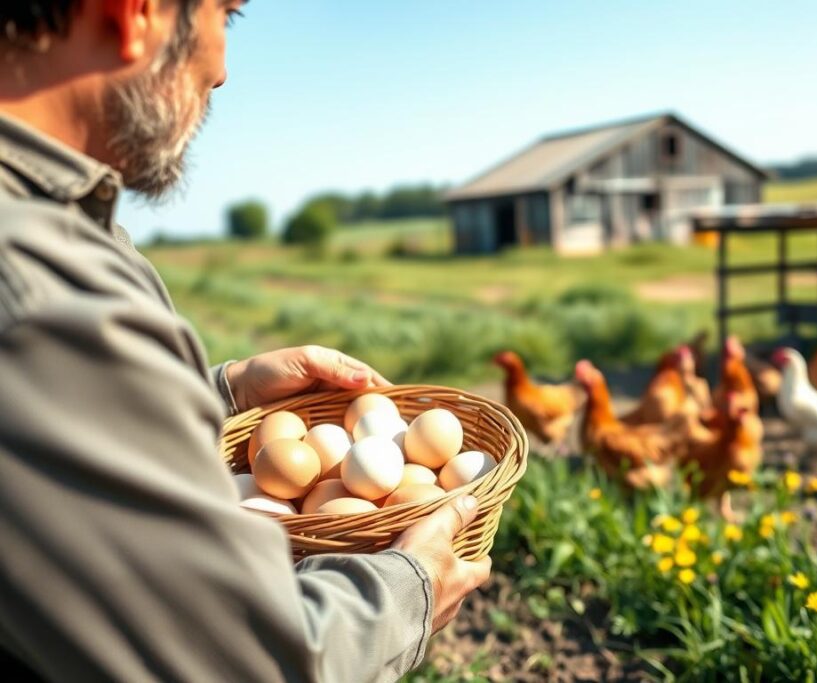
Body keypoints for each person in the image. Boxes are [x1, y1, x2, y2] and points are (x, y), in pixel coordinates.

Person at [0, 1, 490, 681]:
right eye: (222, 16)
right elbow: (236, 662)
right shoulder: (38, 287)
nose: (222, 71)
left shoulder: (51, 232)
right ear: (135, 12)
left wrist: (226, 391)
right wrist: (409, 588)